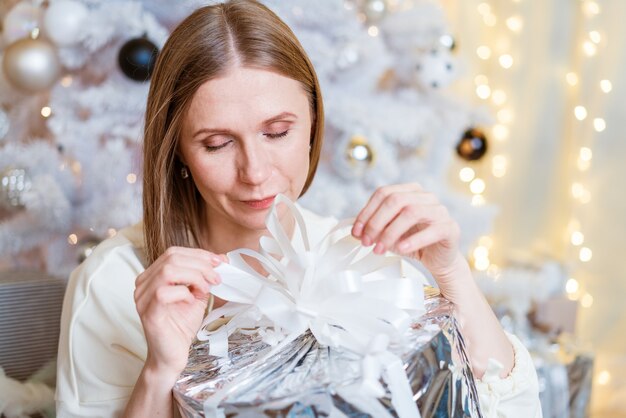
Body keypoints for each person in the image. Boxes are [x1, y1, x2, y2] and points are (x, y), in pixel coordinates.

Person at [55, 1, 542, 417]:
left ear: (313, 120)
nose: (255, 171)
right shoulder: (114, 284)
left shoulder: (361, 260)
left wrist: (451, 269)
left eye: (277, 132)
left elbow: (514, 408)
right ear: (177, 150)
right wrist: (160, 372)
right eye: (218, 143)